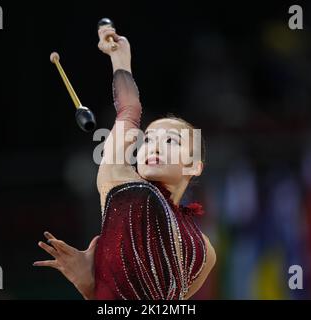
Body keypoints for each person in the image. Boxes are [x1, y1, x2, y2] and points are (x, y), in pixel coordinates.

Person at [34, 25, 216, 300]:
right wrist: (120, 59)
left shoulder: (205, 251)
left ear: (194, 166)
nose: (154, 146)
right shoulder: (119, 178)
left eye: (171, 141)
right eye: (150, 139)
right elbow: (129, 111)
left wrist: (90, 286)